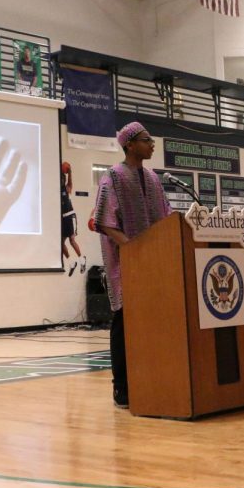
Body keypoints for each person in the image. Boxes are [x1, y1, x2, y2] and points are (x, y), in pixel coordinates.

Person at [93, 122, 172, 409]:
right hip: (125, 264)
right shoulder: (112, 176)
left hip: (154, 262)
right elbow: (102, 220)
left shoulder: (153, 178)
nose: (153, 144)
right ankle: (121, 386)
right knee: (124, 322)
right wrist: (131, 247)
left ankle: (151, 379)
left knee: (153, 322)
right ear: (129, 144)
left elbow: (167, 219)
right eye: (146, 140)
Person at [61, 161, 85, 276]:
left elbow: (70, 183)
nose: (62, 181)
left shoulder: (66, 188)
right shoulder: (56, 191)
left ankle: (82, 260)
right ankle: (71, 263)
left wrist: (70, 172)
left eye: (62, 179)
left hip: (70, 216)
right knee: (60, 243)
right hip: (62, 219)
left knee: (72, 240)